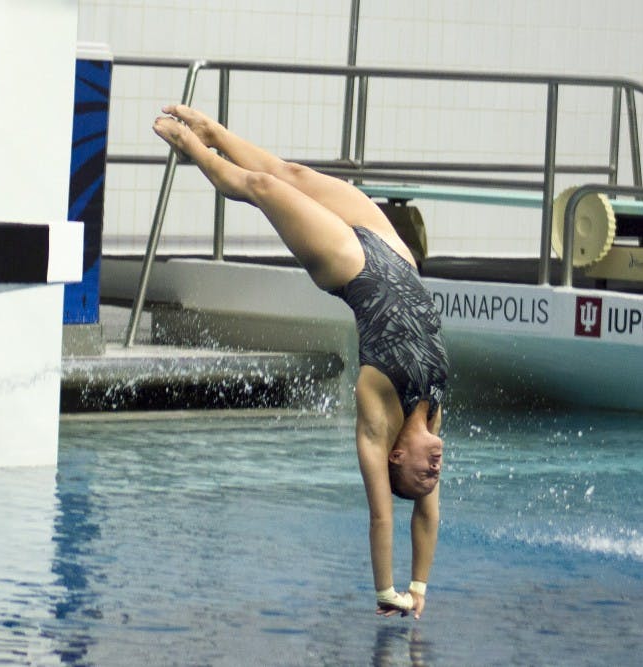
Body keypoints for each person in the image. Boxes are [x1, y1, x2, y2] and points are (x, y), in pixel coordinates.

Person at [153, 105, 449, 619]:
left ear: (396, 460)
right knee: (293, 175)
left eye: (424, 475)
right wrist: (421, 583)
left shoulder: (379, 416)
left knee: (264, 189)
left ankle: (192, 148)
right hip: (398, 257)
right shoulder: (433, 414)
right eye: (433, 476)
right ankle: (216, 132)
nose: (437, 471)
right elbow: (426, 516)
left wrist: (389, 592)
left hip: (349, 267)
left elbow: (384, 517)